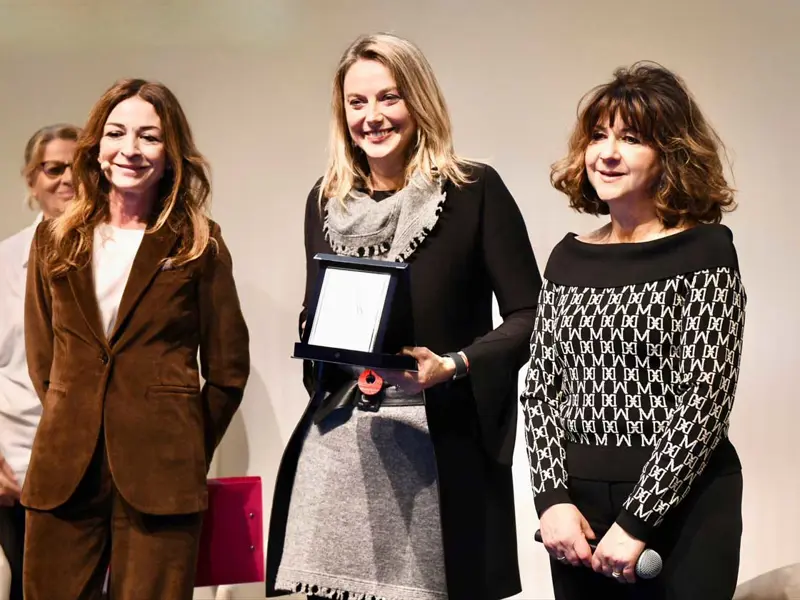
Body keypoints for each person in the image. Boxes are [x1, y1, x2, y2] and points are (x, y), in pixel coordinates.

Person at [267, 33, 542, 600]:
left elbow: (529, 314)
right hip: (339, 444)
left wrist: (457, 363)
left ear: (419, 101)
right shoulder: (325, 201)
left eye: (389, 98)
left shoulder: (473, 191)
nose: (372, 117)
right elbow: (315, 312)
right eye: (356, 102)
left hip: (437, 448)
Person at [522, 61, 745, 599]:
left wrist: (636, 523)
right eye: (598, 136)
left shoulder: (705, 251)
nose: (608, 153)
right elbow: (542, 388)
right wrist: (551, 502)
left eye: (631, 139)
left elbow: (705, 399)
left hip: (680, 511)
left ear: (670, 153)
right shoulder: (569, 258)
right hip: (577, 522)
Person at [22, 79, 250, 599]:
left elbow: (227, 370)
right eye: (116, 133)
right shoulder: (54, 237)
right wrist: (75, 414)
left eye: (149, 136)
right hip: (64, 473)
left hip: (161, 478)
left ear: (171, 153)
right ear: (96, 147)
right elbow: (44, 359)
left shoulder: (199, 242)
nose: (129, 149)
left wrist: (184, 445)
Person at [0, 123, 80, 600]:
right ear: (33, 180)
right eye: (54, 169)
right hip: (20, 471)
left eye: (79, 167)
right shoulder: (3, 263)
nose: (68, 179)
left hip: (100, 472)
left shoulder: (117, 259)